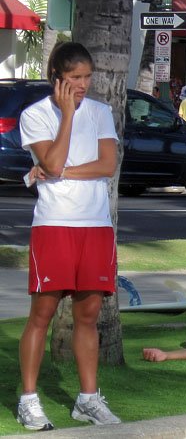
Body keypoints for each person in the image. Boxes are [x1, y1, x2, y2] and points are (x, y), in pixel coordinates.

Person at [16, 42, 121, 431]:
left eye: (87, 76)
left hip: (96, 226)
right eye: (75, 77)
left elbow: (107, 164)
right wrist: (66, 116)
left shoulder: (101, 112)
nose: (83, 84)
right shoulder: (35, 115)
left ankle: (88, 400)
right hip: (54, 224)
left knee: (88, 316)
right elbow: (53, 160)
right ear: (56, 78)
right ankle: (29, 401)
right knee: (41, 315)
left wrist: (64, 173)